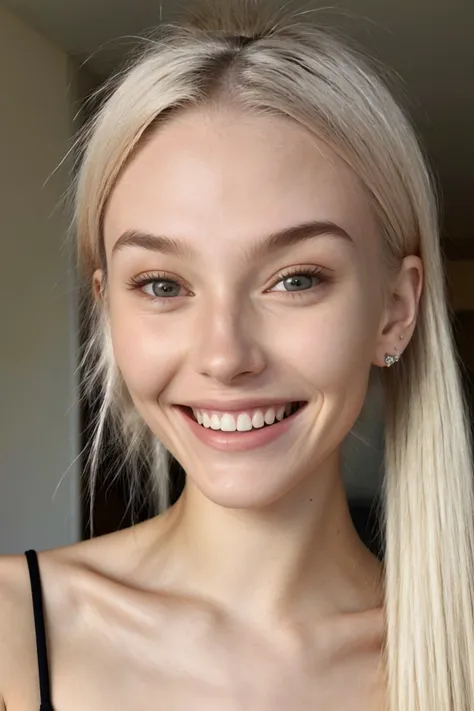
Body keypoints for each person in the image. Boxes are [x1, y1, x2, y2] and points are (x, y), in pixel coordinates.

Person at [1, 3, 473, 710]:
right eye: (162, 284)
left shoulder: (457, 653)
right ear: (108, 309)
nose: (225, 355)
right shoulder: (13, 630)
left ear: (395, 311)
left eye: (296, 279)